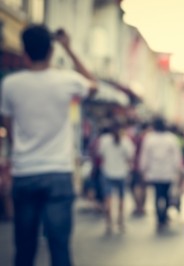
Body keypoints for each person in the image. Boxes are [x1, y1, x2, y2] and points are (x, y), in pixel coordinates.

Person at [0, 25, 97, 266]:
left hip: (25, 172)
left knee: (24, 249)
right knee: (59, 247)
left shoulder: (11, 84)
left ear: (24, 52)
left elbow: (9, 128)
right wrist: (69, 48)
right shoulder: (66, 80)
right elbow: (93, 84)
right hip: (57, 173)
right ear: (51, 51)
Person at [139, 118, 182, 231]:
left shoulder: (149, 139)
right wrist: (177, 169)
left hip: (155, 173)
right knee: (166, 194)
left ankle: (160, 217)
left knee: (158, 195)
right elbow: (176, 156)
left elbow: (145, 155)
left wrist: (143, 169)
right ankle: (163, 216)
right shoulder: (171, 138)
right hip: (167, 173)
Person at [98, 123, 135, 234]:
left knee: (108, 199)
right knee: (121, 198)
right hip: (122, 173)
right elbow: (130, 156)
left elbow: (100, 154)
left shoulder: (104, 140)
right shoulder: (126, 142)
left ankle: (108, 223)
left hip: (107, 172)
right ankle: (120, 221)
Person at [130, 122, 150, 217]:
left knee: (137, 186)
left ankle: (138, 206)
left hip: (136, 165)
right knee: (142, 187)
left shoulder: (136, 138)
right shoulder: (147, 139)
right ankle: (141, 206)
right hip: (144, 165)